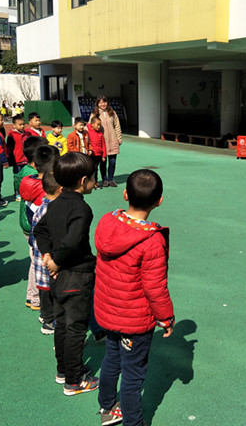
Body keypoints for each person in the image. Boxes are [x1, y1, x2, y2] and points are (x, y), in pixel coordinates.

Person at [94, 169, 175, 426]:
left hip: (108, 311)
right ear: (159, 201)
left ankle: (107, 406)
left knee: (112, 359)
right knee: (133, 375)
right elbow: (155, 287)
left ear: (125, 194)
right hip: (134, 319)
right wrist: (166, 318)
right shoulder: (151, 241)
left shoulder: (108, 222)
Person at [33, 152, 99, 396]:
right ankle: (74, 379)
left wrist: (47, 255)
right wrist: (57, 261)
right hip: (76, 274)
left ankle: (63, 370)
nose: (95, 182)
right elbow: (73, 242)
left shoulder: (55, 203)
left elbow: (39, 230)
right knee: (75, 328)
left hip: (58, 276)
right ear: (83, 181)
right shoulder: (82, 208)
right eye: (93, 178)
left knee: (62, 323)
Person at [19, 145, 60, 313]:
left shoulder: (27, 180)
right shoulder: (48, 188)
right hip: (41, 235)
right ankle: (36, 298)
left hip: (29, 229)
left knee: (34, 263)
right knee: (41, 266)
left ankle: (32, 297)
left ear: (34, 164)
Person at [29, 170, 62, 334]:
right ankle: (49, 322)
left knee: (44, 289)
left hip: (39, 255)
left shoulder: (42, 205)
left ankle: (45, 316)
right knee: (51, 291)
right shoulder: (53, 209)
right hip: (47, 256)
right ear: (61, 189)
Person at [92, 95, 122, 188]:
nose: (103, 104)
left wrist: (118, 138)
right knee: (103, 162)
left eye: (104, 102)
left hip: (113, 140)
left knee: (112, 162)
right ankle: (104, 179)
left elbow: (117, 126)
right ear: (97, 104)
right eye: (100, 102)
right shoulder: (94, 114)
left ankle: (110, 179)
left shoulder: (112, 112)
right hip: (101, 143)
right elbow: (90, 126)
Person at [7, 115, 28, 201]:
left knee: (26, 177)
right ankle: (17, 193)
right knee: (18, 178)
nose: (22, 126)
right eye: (20, 124)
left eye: (23, 124)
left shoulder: (26, 134)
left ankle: (25, 192)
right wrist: (10, 160)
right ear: (14, 125)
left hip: (26, 160)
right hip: (17, 161)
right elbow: (9, 149)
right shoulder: (11, 135)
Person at [88, 115, 106, 190]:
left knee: (96, 169)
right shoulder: (88, 132)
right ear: (92, 124)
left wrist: (104, 155)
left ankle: (95, 182)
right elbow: (88, 143)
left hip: (99, 155)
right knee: (92, 169)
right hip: (92, 155)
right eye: (98, 124)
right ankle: (92, 183)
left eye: (100, 125)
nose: (99, 126)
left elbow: (103, 144)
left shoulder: (100, 133)